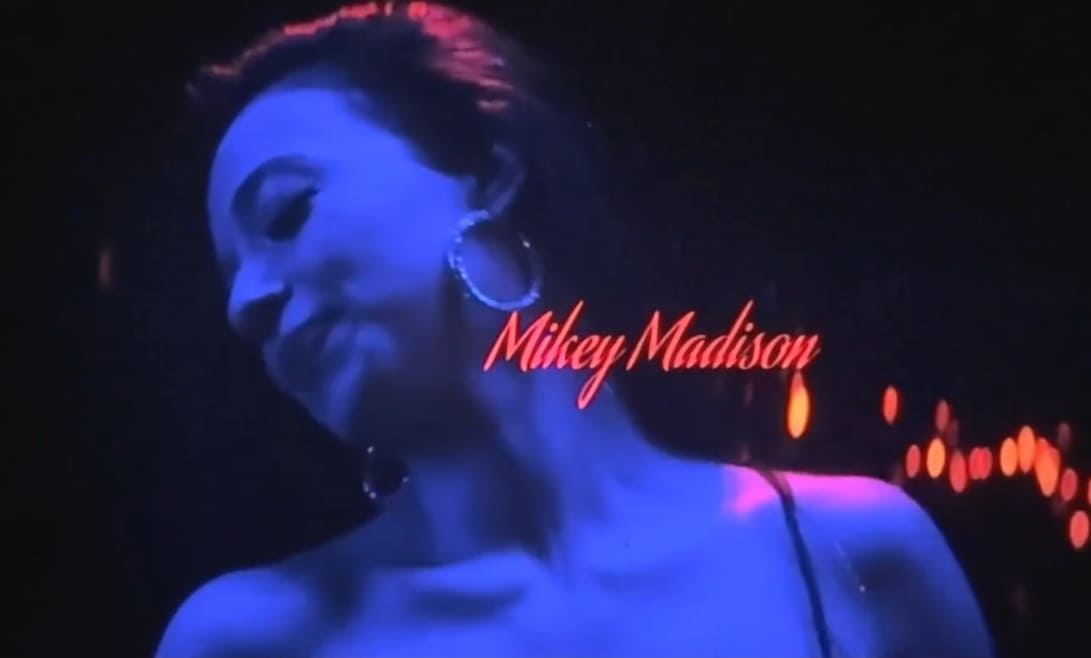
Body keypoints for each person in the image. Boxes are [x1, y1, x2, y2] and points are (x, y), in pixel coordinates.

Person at [157, 2, 993, 656]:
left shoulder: (850, 555)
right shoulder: (250, 640)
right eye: (230, 280)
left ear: (488, 172)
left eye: (286, 212)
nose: (246, 306)